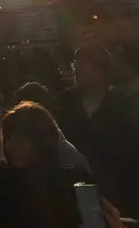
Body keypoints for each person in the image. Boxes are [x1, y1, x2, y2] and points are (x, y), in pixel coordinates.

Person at [58, 45, 139, 217]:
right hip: (75, 196)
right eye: (75, 65)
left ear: (100, 71)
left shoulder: (122, 107)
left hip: (119, 196)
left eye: (82, 66)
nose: (75, 70)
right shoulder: (65, 103)